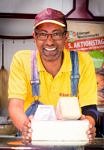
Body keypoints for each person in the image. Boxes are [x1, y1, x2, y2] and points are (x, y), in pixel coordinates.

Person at [8, 8, 98, 144]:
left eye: (56, 34)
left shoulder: (83, 62)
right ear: (34, 37)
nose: (49, 42)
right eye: (43, 34)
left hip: (70, 141)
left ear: (66, 37)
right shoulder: (21, 60)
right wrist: (26, 128)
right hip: (33, 139)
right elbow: (15, 106)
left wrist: (87, 126)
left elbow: (90, 109)